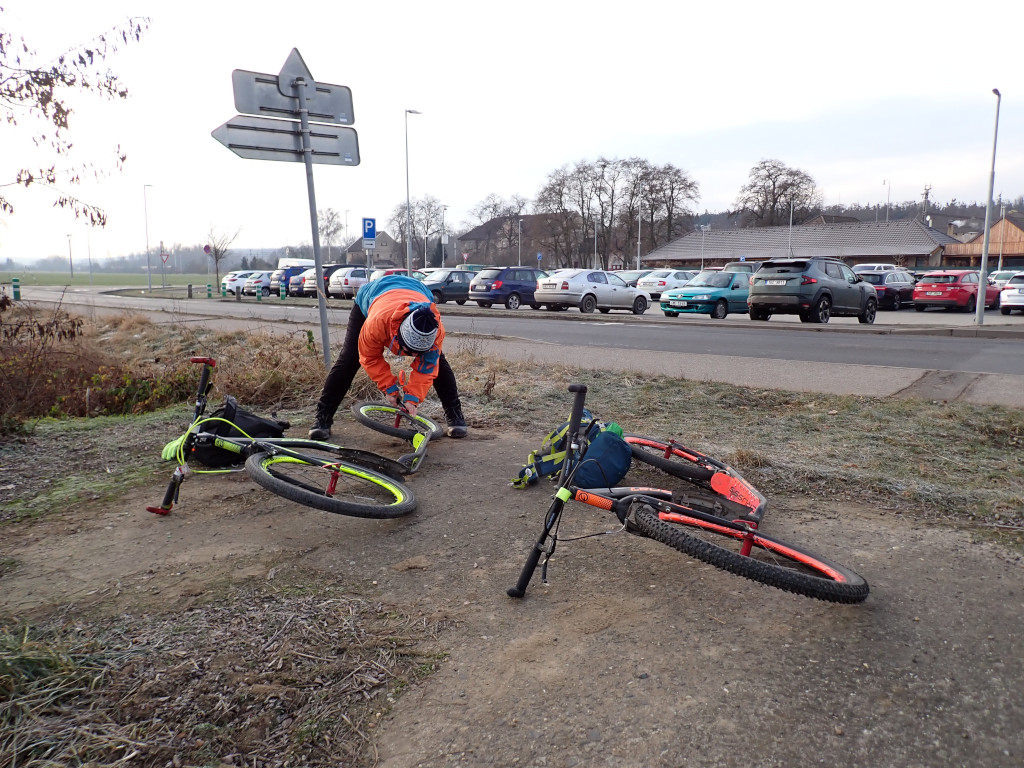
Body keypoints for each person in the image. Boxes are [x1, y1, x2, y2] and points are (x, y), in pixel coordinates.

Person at [308, 272, 467, 440]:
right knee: (349, 358)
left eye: (418, 352)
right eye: (410, 350)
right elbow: (370, 358)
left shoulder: (436, 330)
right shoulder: (377, 323)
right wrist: (389, 388)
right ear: (397, 336)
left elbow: (427, 367)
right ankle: (322, 418)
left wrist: (413, 398)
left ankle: (455, 415)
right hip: (374, 296)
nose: (413, 355)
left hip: (417, 291)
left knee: (438, 362)